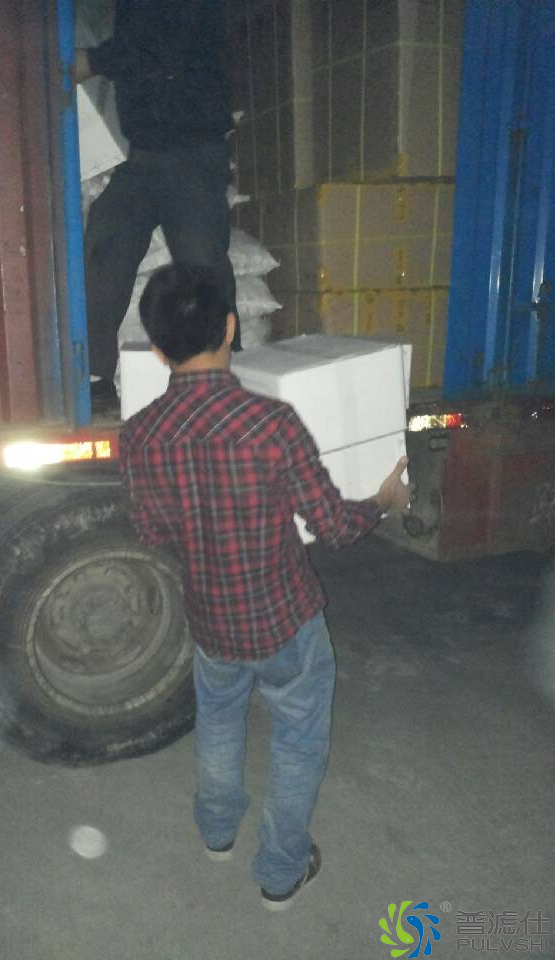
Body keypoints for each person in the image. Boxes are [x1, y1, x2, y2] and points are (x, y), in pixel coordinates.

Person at [118, 264, 411, 911]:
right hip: (284, 621)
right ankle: (280, 874)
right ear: (231, 327)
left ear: (158, 349)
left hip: (210, 621)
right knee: (297, 741)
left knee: (219, 721)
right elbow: (335, 527)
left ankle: (217, 834)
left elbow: (153, 530)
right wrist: (384, 500)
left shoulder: (138, 436)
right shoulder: (271, 423)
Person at [73, 1, 241, 410]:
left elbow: (163, 45)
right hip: (145, 152)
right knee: (107, 238)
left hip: (193, 146)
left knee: (200, 262)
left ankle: (223, 374)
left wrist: (92, 60)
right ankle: (95, 378)